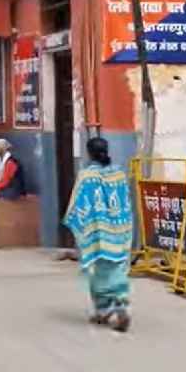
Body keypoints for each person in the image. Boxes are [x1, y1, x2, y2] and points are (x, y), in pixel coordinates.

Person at [64, 137, 133, 331]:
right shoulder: (119, 173)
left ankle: (104, 309)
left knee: (99, 271)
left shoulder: (86, 175)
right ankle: (120, 303)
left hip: (97, 232)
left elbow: (78, 203)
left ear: (89, 153)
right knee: (117, 268)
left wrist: (74, 223)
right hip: (119, 229)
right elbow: (125, 201)